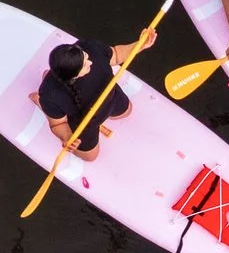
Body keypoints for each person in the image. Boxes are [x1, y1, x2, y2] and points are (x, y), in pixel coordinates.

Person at [37, 29, 156, 162]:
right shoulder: (50, 94)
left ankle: (48, 84)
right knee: (90, 157)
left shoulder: (89, 47)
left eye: (85, 56)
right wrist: (67, 137)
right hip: (85, 123)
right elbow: (58, 124)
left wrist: (139, 45)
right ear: (74, 76)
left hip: (111, 96)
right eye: (84, 65)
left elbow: (116, 55)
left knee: (127, 111)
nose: (90, 62)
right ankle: (43, 105)